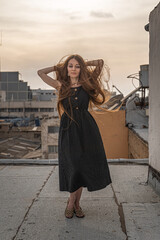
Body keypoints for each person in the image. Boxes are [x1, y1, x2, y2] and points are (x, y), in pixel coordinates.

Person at [37, 54, 112, 219]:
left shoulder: (87, 83)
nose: (73, 69)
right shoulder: (60, 85)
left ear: (81, 69)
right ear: (66, 68)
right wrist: (58, 67)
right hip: (69, 129)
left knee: (82, 167)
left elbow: (99, 62)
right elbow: (41, 72)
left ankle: (74, 204)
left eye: (77, 66)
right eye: (70, 66)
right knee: (74, 166)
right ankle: (73, 203)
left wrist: (83, 63)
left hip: (87, 129)